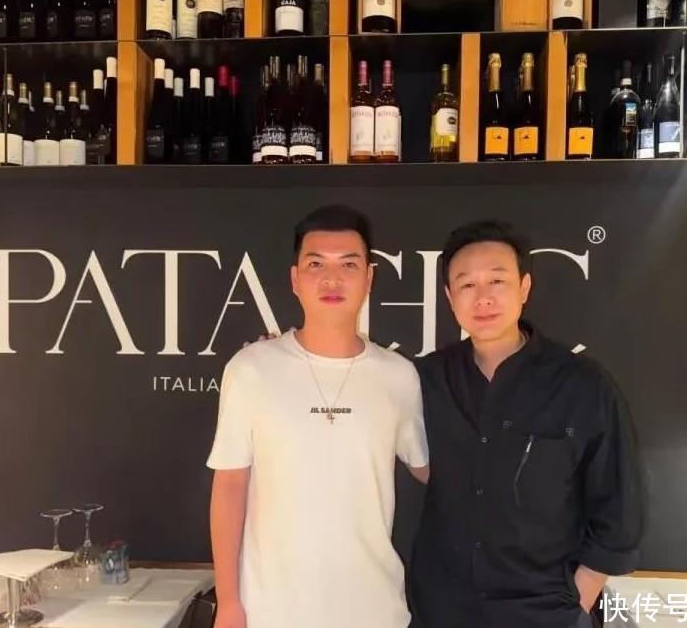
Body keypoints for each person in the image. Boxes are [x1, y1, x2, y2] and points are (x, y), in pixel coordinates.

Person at [409, 220, 645, 628]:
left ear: (524, 287)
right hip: (442, 611)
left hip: (544, 612)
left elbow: (618, 507)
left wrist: (576, 600)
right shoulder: (425, 380)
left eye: (497, 281)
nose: (483, 297)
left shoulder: (581, 385)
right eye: (467, 285)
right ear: (449, 297)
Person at [207, 204, 430, 628]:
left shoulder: (399, 376)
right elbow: (230, 487)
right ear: (295, 279)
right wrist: (229, 602)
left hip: (374, 609)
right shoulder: (251, 369)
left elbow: (432, 470)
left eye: (348, 264)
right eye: (316, 264)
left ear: (369, 279)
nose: (332, 278)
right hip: (270, 611)